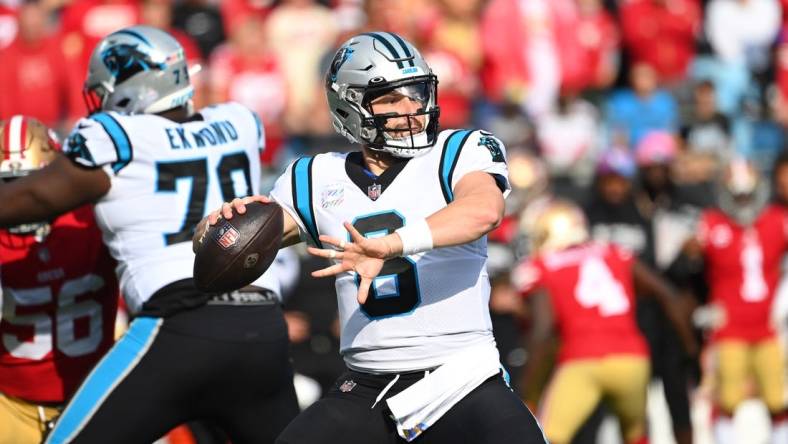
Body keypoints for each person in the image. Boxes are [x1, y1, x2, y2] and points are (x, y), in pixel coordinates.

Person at [199, 32, 546, 444]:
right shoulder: (313, 177)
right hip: (366, 386)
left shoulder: (460, 149)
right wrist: (214, 231)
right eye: (390, 99)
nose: (411, 109)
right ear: (350, 106)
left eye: (416, 93)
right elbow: (242, 245)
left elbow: (484, 211)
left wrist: (392, 244)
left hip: (461, 378)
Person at [0, 26, 298, 444]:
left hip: (177, 329)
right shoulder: (239, 121)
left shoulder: (116, 138)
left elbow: (30, 196)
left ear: (127, 88)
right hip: (262, 328)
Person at [512, 199, 697, 444]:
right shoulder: (613, 252)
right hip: (632, 359)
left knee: (547, 436)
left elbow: (543, 331)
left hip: (581, 360)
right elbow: (669, 295)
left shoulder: (543, 265)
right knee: (636, 434)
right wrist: (690, 348)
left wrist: (528, 391)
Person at [0, 116, 119, 444]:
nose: (19, 199)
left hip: (92, 398)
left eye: (28, 185)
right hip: (10, 404)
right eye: (7, 185)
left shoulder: (92, 223)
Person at [681, 158, 788, 444]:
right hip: (728, 328)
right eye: (737, 194)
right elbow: (686, 267)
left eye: (748, 194)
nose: (743, 202)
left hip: (768, 327)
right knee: (727, 398)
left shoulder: (777, 220)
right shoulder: (712, 223)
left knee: (777, 399)